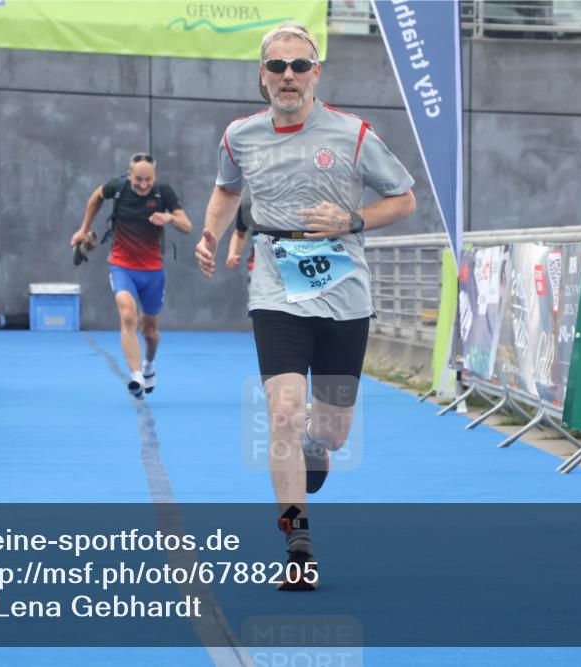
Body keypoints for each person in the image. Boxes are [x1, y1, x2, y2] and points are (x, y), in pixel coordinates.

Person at [195, 23, 416, 591]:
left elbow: (405, 198)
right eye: (277, 67)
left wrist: (353, 219)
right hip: (275, 287)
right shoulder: (239, 136)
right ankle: (298, 545)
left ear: (316, 73)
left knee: (333, 432)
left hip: (344, 294)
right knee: (285, 413)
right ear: (262, 77)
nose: (288, 76)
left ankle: (319, 443)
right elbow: (227, 189)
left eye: (299, 66)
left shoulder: (352, 133)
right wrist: (211, 232)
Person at [71, 152, 192, 398]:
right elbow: (96, 196)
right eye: (138, 179)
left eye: (148, 180)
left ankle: (149, 365)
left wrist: (169, 217)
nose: (143, 185)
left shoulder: (162, 192)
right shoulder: (118, 187)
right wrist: (84, 229)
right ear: (130, 175)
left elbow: (187, 225)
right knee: (128, 315)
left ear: (154, 177)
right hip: (122, 266)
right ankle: (135, 376)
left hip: (153, 272)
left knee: (150, 333)